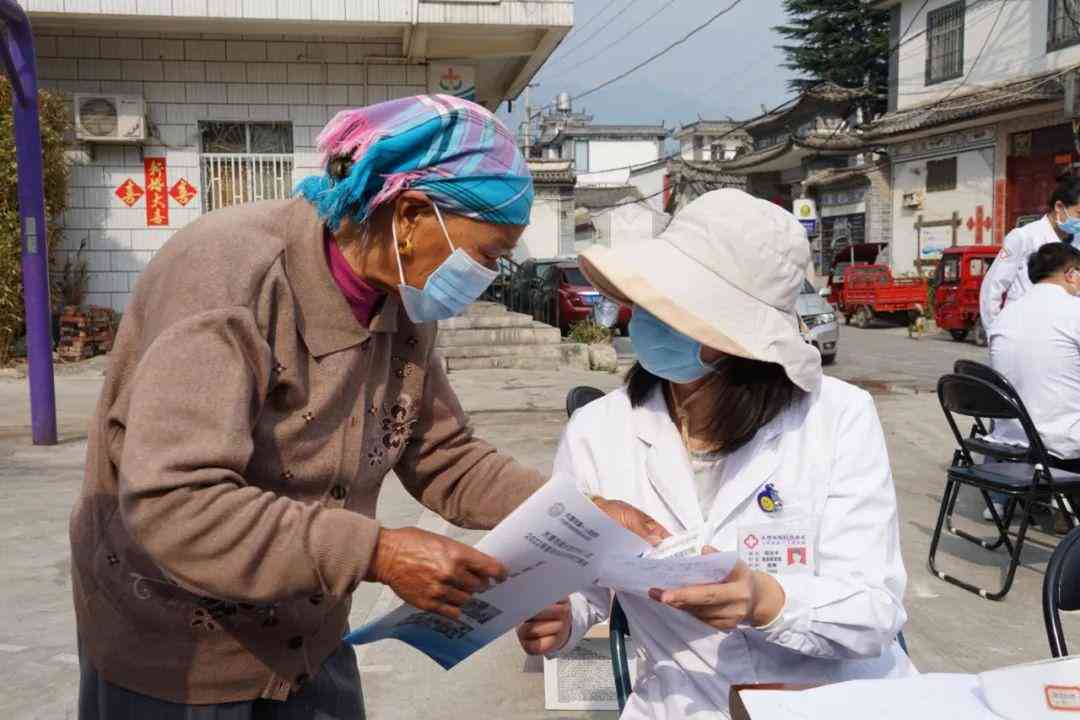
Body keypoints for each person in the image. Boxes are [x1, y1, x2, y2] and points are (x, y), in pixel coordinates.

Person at [70, 95, 659, 718]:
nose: (487, 276)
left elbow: (443, 454)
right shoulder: (229, 277)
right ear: (409, 215)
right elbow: (174, 502)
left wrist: (579, 513)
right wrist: (378, 553)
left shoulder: (401, 302)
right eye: (485, 255)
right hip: (177, 654)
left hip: (309, 632)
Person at [516, 190, 916, 719]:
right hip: (685, 701)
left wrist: (766, 601)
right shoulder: (599, 430)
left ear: (736, 334)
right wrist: (560, 617)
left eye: (674, 306)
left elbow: (874, 612)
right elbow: (586, 576)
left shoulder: (837, 418)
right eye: (649, 299)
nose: (648, 317)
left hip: (833, 698)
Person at [986, 243, 1080, 525]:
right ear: (1071, 274)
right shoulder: (1073, 310)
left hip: (1012, 435)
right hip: (1059, 436)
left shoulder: (1006, 316)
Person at [980, 175, 1080, 332]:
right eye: (1079, 213)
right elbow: (993, 287)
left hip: (1066, 332)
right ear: (1059, 207)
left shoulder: (1077, 242)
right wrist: (994, 331)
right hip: (1024, 328)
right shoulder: (1025, 237)